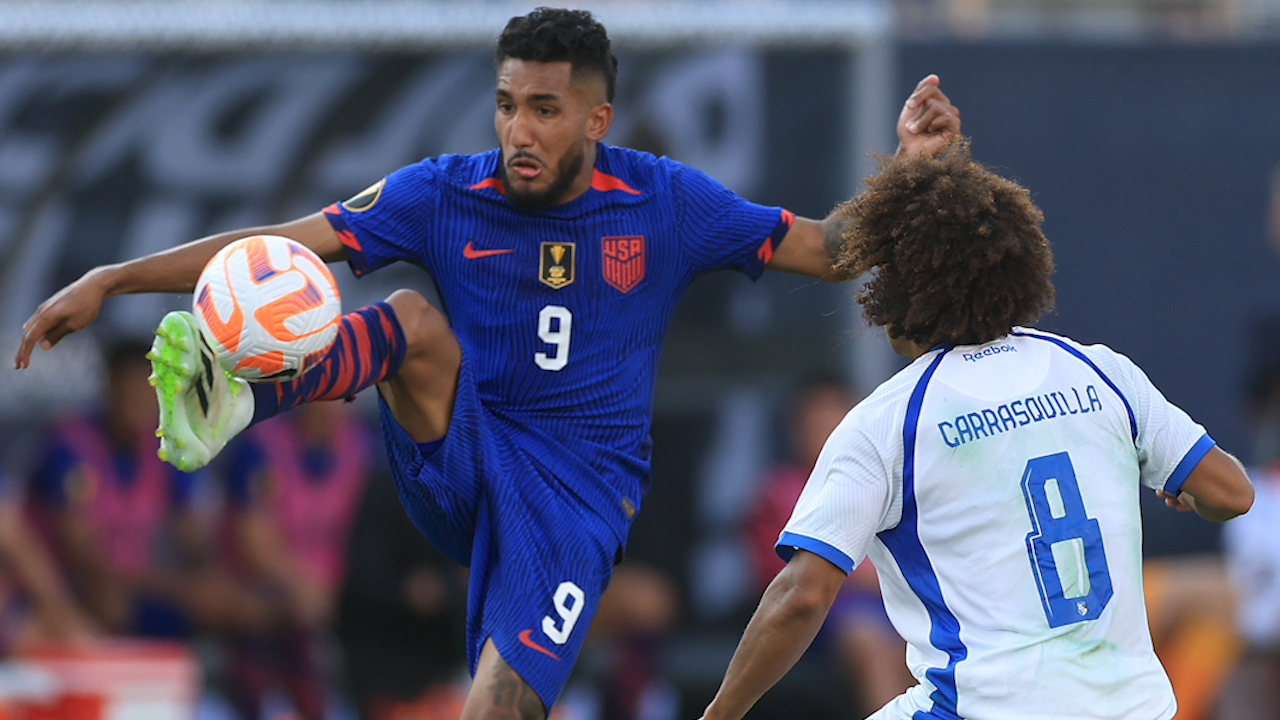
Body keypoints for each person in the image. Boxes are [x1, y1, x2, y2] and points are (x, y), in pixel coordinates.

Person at [13, 8, 960, 719]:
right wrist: (115, 277)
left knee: (500, 701)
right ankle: (241, 399)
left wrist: (914, 170)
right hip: (463, 454)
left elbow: (831, 247)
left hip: (579, 498)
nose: (520, 131)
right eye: (508, 104)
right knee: (412, 318)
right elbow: (289, 241)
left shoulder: (665, 201)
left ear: (597, 119)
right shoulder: (443, 193)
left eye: (546, 109)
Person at [697, 141, 1255, 720]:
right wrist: (1190, 495)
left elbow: (802, 596)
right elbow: (1231, 494)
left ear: (895, 290)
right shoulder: (1100, 370)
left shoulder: (891, 419)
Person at [741, 376, 912, 716]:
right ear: (796, 429)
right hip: (824, 612)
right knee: (871, 646)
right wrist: (864, 577)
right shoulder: (780, 490)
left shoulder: (880, 481)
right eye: (815, 425)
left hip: (891, 603)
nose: (826, 435)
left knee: (925, 649)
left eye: (835, 424)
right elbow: (785, 578)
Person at [218, 400, 374, 720]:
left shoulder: (362, 445)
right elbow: (254, 544)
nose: (335, 404)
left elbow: (376, 532)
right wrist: (305, 589)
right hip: (269, 589)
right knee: (273, 616)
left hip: (341, 591)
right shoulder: (263, 446)